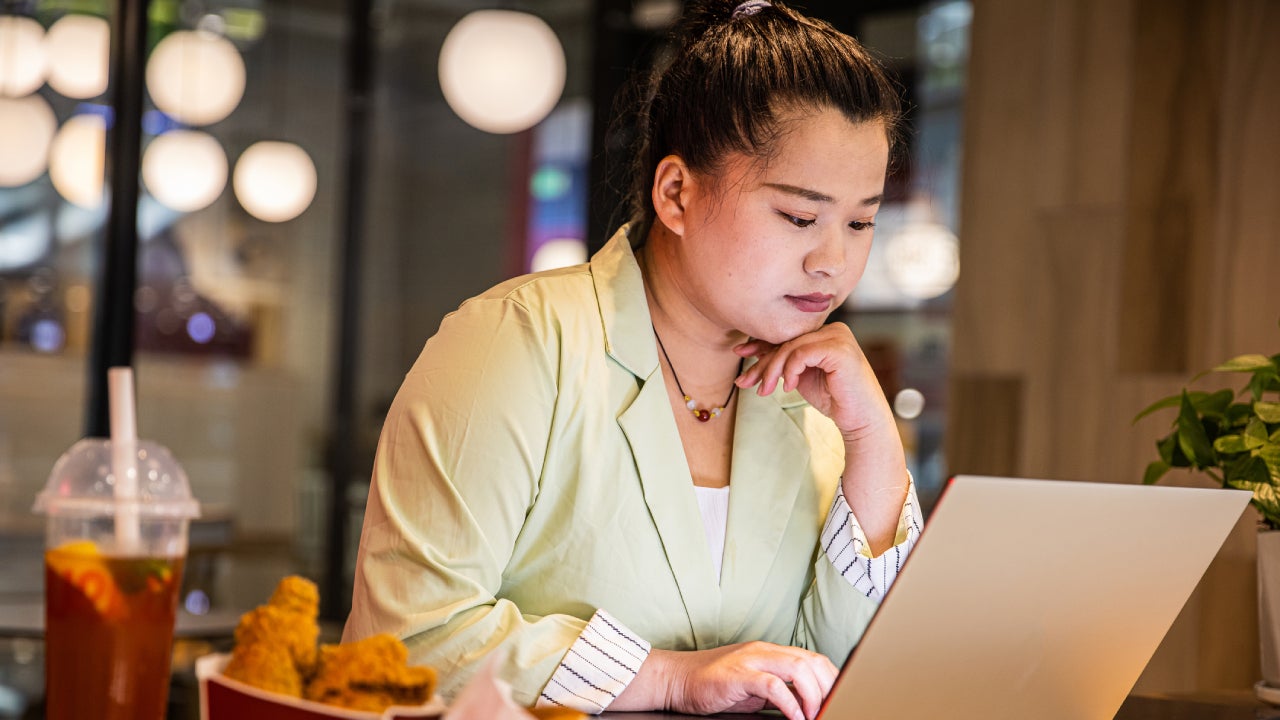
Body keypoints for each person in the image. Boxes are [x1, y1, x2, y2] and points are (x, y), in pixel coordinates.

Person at [343, 2, 921, 718]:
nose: (833, 261)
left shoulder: (810, 400)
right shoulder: (520, 341)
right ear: (676, 193)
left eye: (861, 221)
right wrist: (669, 677)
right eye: (799, 217)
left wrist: (873, 444)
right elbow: (407, 639)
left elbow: (827, 674)